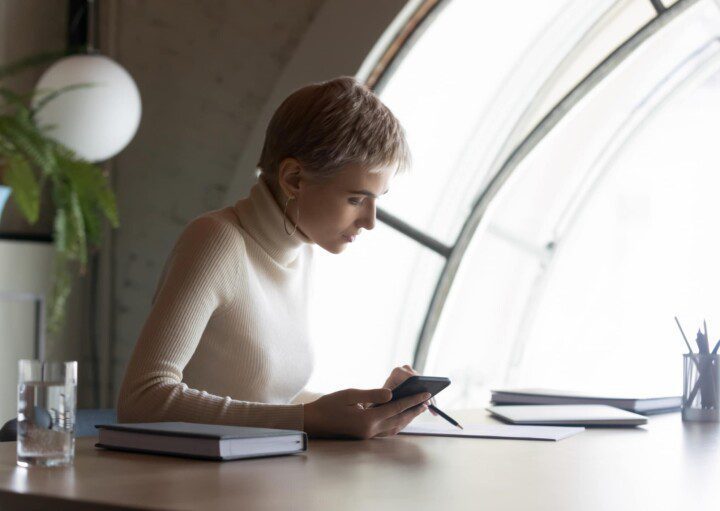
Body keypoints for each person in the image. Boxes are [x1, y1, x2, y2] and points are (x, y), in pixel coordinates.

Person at [117, 76, 433, 439]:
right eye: (356, 199)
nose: (370, 221)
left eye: (378, 199)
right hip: (188, 488)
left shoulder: (301, 250)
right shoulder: (216, 240)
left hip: (256, 479)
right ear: (294, 178)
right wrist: (306, 419)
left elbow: (267, 401)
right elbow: (141, 400)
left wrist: (369, 407)